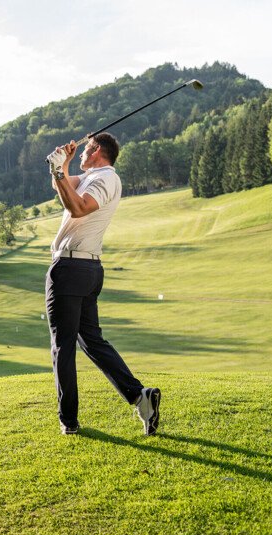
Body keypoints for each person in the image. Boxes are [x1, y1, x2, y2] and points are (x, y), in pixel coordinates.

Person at [45, 133, 160, 436]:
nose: (82, 153)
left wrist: (59, 170)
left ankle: (69, 420)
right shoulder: (91, 177)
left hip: (71, 268)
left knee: (63, 346)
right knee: (90, 340)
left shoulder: (106, 178)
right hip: (85, 268)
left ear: (96, 150)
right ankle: (140, 397)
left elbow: (78, 208)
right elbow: (62, 187)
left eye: (85, 149)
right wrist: (62, 165)